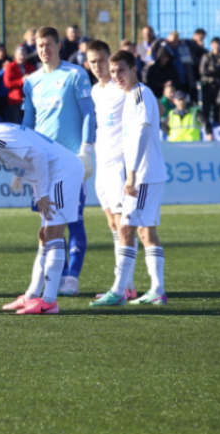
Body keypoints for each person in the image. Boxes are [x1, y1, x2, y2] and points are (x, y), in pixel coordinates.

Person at [0, 114, 84, 315]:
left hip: (63, 173)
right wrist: (35, 189)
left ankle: (49, 301)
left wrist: (43, 195)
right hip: (55, 174)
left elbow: (38, 155)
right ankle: (32, 295)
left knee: (54, 232)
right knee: (44, 235)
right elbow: (32, 159)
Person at [21, 26, 96, 296]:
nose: (44, 50)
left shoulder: (76, 74)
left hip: (71, 161)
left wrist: (87, 147)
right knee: (47, 223)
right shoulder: (30, 81)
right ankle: (53, 276)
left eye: (48, 44)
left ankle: (71, 278)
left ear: (58, 46)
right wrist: (21, 161)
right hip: (42, 164)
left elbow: (88, 113)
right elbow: (27, 123)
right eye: (40, 45)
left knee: (73, 220)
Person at [92, 50, 168, 307]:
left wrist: (132, 175)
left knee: (125, 229)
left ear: (134, 69)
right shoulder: (131, 96)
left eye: (121, 70)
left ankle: (118, 291)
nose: (116, 76)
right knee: (146, 233)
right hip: (146, 175)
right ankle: (157, 290)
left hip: (143, 176)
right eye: (113, 72)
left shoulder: (139, 93)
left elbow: (144, 134)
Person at [86, 40, 136, 301]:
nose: (97, 66)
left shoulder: (124, 89)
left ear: (111, 60)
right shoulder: (95, 90)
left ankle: (127, 285)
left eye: (101, 61)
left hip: (118, 164)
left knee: (123, 224)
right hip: (101, 164)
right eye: (92, 62)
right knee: (112, 224)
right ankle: (123, 283)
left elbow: (148, 109)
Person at [199, 37, 220, 125]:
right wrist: (216, 70)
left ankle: (218, 126)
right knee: (206, 109)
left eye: (218, 44)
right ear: (211, 45)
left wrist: (211, 69)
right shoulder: (206, 56)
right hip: (208, 86)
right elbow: (202, 71)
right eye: (215, 44)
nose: (216, 46)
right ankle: (207, 127)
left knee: (219, 109)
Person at [3, 45, 35, 123]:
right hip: (15, 101)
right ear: (15, 55)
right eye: (20, 54)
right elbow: (7, 83)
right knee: (15, 124)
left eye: (24, 54)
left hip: (28, 100)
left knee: (29, 124)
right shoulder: (10, 67)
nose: (22, 56)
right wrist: (21, 81)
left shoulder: (31, 67)